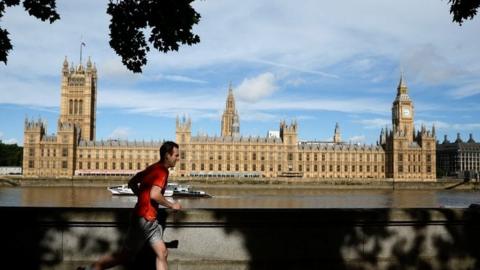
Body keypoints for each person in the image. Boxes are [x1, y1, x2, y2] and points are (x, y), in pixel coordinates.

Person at [79, 141, 181, 270]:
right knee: (124, 256)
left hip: (149, 219)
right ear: (167, 155)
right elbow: (155, 194)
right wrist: (172, 205)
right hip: (144, 219)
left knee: (162, 253)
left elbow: (132, 182)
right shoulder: (162, 171)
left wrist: (142, 197)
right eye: (176, 155)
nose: (178, 158)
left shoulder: (152, 168)